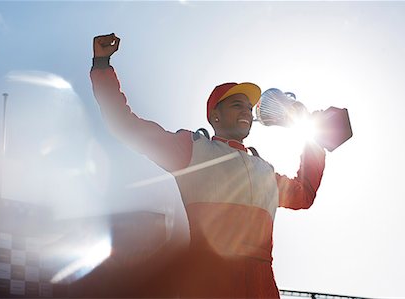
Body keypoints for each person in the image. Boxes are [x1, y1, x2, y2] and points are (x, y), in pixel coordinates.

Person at [90, 33, 325, 298]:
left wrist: (314, 139)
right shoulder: (192, 149)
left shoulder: (265, 171)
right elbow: (126, 125)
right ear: (215, 115)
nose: (247, 112)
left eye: (249, 108)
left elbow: (304, 194)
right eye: (238, 105)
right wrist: (102, 65)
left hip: (263, 288)